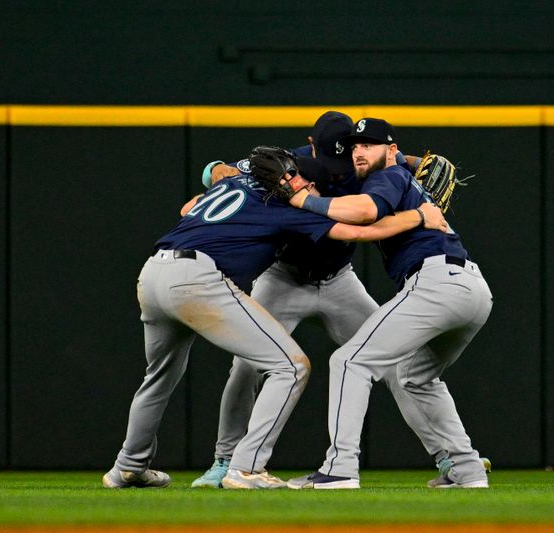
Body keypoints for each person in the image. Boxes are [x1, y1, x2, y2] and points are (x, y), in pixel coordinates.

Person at [102, 151, 447, 490]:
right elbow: (354, 232)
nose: (299, 184)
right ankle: (245, 468)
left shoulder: (239, 183)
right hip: (199, 280)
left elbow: (188, 208)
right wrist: (419, 215)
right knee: (291, 367)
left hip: (154, 274)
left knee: (158, 378)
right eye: (293, 178)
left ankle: (129, 466)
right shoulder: (282, 204)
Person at [189, 111, 456, 488]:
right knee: (246, 365)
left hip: (339, 281)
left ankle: (448, 457)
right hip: (283, 277)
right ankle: (227, 460)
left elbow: (390, 157)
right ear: (310, 145)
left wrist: (409, 160)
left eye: (349, 151)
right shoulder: (289, 162)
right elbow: (214, 171)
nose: (339, 163)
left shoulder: (361, 163)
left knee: (397, 359)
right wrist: (225, 171)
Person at [285, 118, 493, 489]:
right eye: (355, 146)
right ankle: (467, 469)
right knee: (415, 377)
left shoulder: (389, 177)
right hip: (471, 290)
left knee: (348, 361)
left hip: (435, 282)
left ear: (392, 150)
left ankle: (340, 469)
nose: (360, 151)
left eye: (370, 143)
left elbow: (364, 213)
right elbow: (372, 221)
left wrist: (304, 200)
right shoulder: (400, 178)